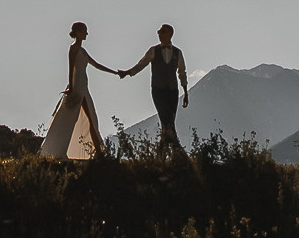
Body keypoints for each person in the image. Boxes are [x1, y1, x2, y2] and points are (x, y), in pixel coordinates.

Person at [38, 21, 113, 160]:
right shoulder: (73, 48)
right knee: (72, 119)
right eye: (84, 31)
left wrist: (114, 72)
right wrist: (72, 88)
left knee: (92, 118)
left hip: (84, 86)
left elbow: (96, 64)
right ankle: (96, 152)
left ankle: (99, 152)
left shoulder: (82, 50)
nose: (86, 34)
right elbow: (71, 68)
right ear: (78, 32)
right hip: (77, 86)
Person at [118, 24, 189, 152]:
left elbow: (182, 72)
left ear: (169, 34)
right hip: (158, 90)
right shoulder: (153, 51)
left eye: (162, 31)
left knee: (168, 124)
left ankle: (161, 155)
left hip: (173, 92)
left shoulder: (178, 53)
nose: (159, 34)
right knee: (167, 121)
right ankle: (178, 153)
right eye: (159, 32)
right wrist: (127, 72)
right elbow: (141, 65)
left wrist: (185, 92)